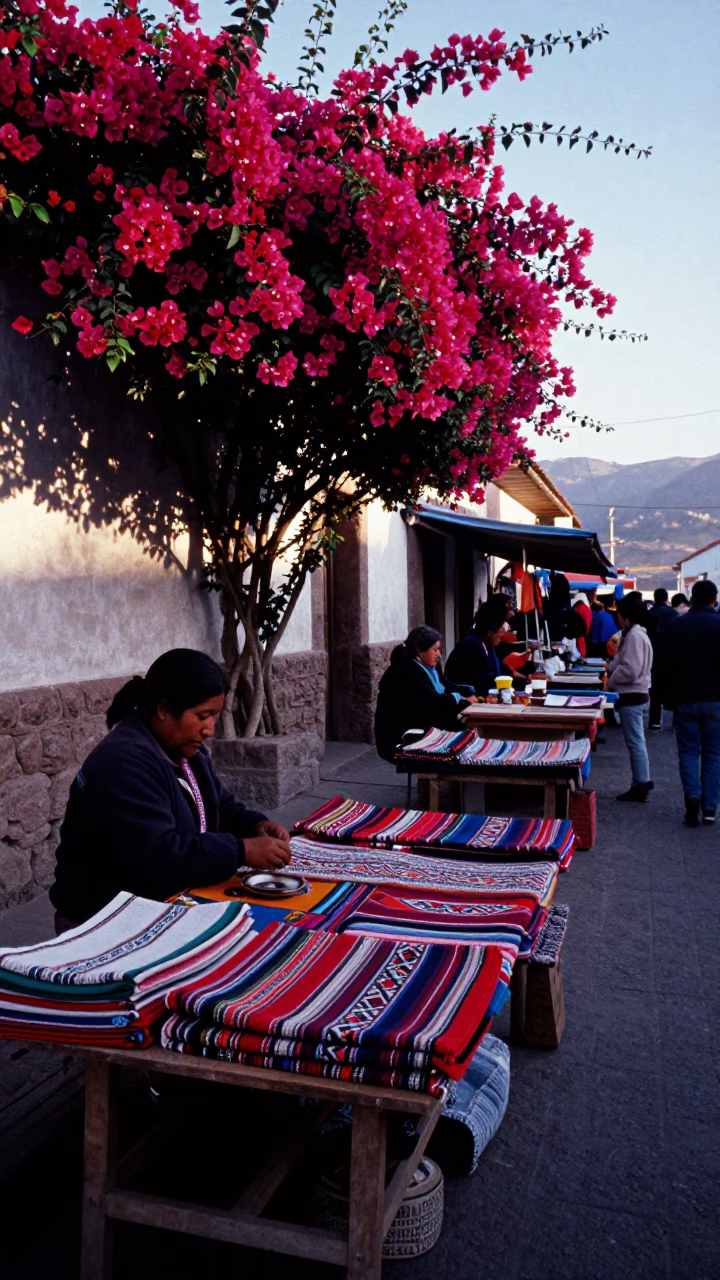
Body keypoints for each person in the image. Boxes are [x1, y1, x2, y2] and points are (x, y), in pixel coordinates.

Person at [50, 649, 291, 930]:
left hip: (158, 903)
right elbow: (158, 855)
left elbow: (220, 806)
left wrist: (255, 826)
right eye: (202, 716)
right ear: (163, 709)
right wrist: (240, 851)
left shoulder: (186, 752)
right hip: (104, 921)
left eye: (214, 716)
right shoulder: (124, 762)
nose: (210, 729)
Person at [656, 579, 720, 826]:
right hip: (716, 699)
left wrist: (665, 698)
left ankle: (692, 797)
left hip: (685, 699)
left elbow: (663, 667)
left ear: (691, 599)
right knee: (713, 753)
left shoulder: (676, 626)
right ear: (714, 599)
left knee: (689, 751)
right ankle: (710, 808)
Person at [374, 626, 477, 763]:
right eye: (435, 650)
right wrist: (460, 698)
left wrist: (472, 691)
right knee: (465, 732)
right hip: (403, 736)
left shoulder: (430, 666)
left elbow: (447, 686)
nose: (439, 655)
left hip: (424, 724)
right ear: (419, 651)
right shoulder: (405, 671)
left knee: (470, 728)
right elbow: (433, 702)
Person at [607, 594, 653, 802]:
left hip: (632, 693)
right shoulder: (635, 634)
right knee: (635, 741)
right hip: (635, 693)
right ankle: (639, 782)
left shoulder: (634, 636)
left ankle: (641, 783)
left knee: (635, 741)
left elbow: (631, 669)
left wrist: (612, 677)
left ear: (624, 615)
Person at [445, 604, 509, 695]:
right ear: (490, 633)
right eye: (500, 637)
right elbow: (483, 680)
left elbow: (497, 672)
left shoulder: (486, 645)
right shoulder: (471, 645)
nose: (501, 640)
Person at [646, 587, 676, 730]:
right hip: (670, 656)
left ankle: (654, 721)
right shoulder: (673, 614)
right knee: (673, 687)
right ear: (666, 598)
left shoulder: (649, 614)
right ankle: (675, 723)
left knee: (655, 691)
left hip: (652, 656)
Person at [570, 591, 593, 658]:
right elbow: (588, 626)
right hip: (582, 639)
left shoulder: (575, 608)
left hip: (574, 639)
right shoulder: (587, 609)